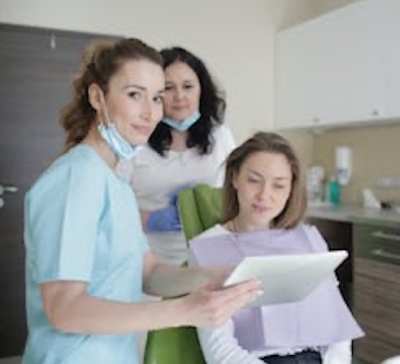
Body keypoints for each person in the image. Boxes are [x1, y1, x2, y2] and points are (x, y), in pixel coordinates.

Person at [22, 38, 262, 364]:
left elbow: (147, 272)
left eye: (156, 98)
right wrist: (183, 311)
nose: (150, 112)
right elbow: (64, 310)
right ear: (97, 96)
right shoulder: (76, 178)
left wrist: (217, 277)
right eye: (135, 95)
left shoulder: (116, 181)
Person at [188, 131, 364, 364]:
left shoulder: (308, 239)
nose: (265, 195)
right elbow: (220, 352)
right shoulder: (207, 248)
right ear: (234, 178)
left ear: (291, 189)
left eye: (279, 185)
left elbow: (337, 332)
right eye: (254, 180)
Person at [124, 46, 236, 266]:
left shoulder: (221, 138)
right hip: (147, 261)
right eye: (168, 88)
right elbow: (111, 209)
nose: (179, 96)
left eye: (188, 86)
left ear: (201, 90)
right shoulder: (135, 141)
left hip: (209, 258)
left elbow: (236, 192)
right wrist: (151, 220)